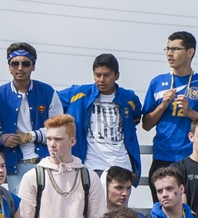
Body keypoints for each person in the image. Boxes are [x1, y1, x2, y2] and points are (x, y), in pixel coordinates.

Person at [141, 31, 198, 202]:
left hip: (192, 160)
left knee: (190, 212)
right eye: (167, 48)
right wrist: (163, 105)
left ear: (190, 52)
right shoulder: (157, 82)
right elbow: (146, 124)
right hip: (162, 158)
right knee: (163, 213)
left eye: (175, 49)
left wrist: (190, 113)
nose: (169, 53)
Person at [18, 114, 105, 218]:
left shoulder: (89, 177)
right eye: (49, 139)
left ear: (72, 141)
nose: (52, 144)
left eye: (58, 139)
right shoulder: (33, 177)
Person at [0, 42, 64, 193]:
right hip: (13, 166)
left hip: (45, 163)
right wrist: (2, 138)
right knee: (19, 210)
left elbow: (59, 128)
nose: (20, 68)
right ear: (9, 67)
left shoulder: (47, 92)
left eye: (25, 64)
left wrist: (31, 136)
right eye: (15, 64)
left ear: (33, 66)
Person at [58, 53, 143, 181]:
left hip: (122, 164)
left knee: (119, 201)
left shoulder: (129, 98)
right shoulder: (79, 94)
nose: (101, 80)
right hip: (91, 165)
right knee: (90, 201)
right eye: (98, 75)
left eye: (107, 75)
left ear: (117, 75)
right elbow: (49, 101)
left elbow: (135, 118)